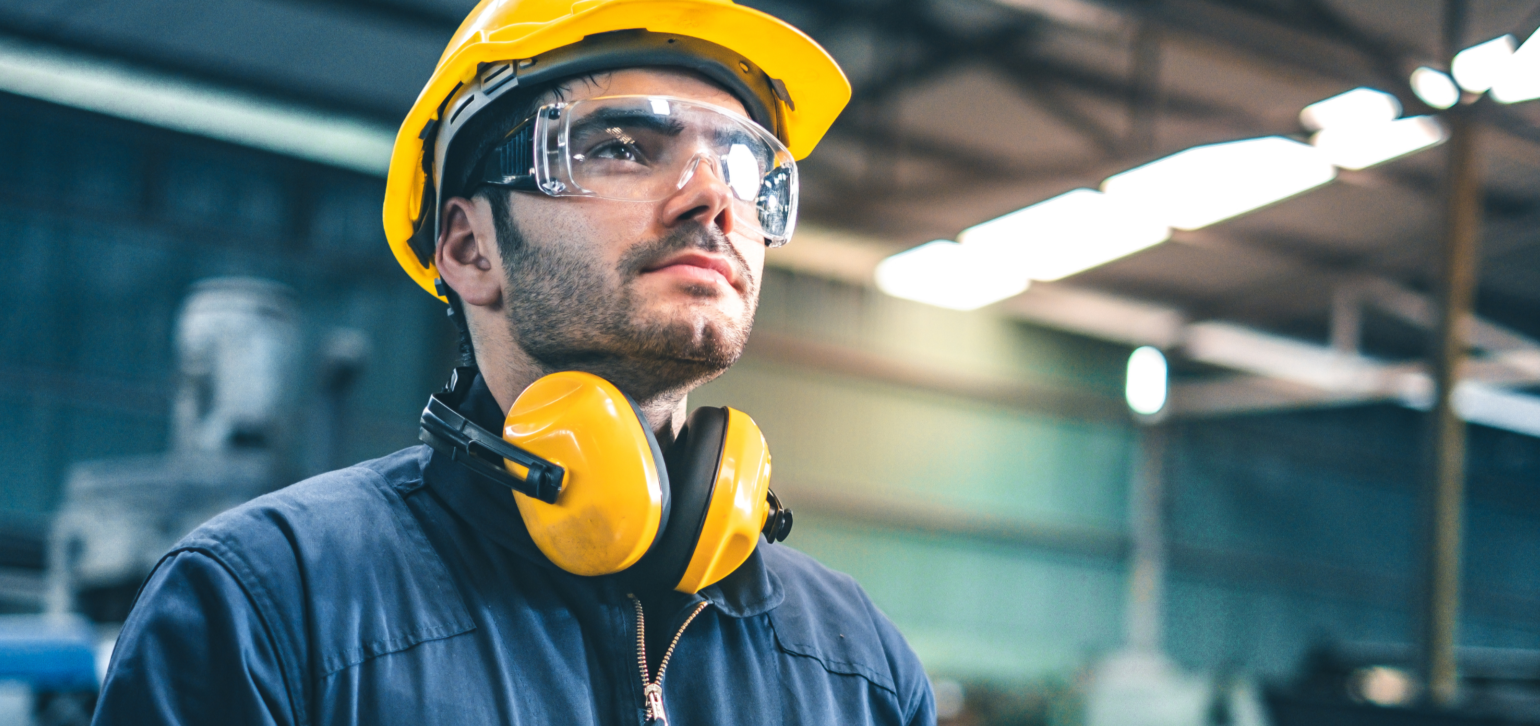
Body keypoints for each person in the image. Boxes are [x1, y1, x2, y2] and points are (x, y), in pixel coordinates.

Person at [91, 0, 934, 723]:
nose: (714, 198)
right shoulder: (266, 606)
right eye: (623, 147)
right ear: (468, 248)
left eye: (747, 166)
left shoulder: (857, 667)